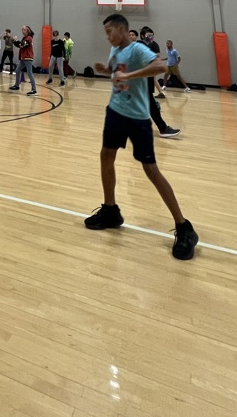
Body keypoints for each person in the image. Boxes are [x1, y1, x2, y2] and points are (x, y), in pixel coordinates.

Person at [84, 13, 198, 260]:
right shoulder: (115, 51)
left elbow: (159, 66)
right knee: (106, 158)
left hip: (137, 118)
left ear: (123, 30)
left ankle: (184, 227)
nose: (107, 37)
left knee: (151, 170)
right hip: (115, 111)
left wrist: (130, 75)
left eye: (110, 32)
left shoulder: (137, 49)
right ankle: (111, 210)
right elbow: (118, 73)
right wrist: (108, 71)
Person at [139, 26, 179, 138]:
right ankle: (163, 128)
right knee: (151, 106)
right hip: (138, 80)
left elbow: (156, 60)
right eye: (148, 35)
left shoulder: (154, 45)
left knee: (147, 105)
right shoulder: (137, 46)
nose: (151, 37)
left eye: (152, 35)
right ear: (142, 36)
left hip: (146, 77)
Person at [8, 25, 37, 95]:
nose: (22, 31)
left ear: (27, 31)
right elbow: (19, 45)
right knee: (17, 70)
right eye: (22, 29)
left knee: (29, 73)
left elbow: (22, 45)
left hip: (28, 58)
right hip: (23, 58)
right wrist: (14, 40)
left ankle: (34, 89)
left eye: (24, 29)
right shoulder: (25, 38)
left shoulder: (29, 38)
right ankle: (17, 85)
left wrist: (16, 40)